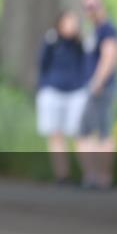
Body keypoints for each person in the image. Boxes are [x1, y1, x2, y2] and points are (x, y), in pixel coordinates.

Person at [35, 10, 89, 185]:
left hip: (76, 92)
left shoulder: (81, 42)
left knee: (79, 133)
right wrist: (44, 86)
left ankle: (90, 175)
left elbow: (87, 64)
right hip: (53, 91)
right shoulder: (52, 40)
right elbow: (42, 63)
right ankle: (62, 175)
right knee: (56, 134)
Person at [77, 0, 117, 190]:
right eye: (86, 7)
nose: (90, 10)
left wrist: (98, 81)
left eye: (93, 6)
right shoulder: (94, 30)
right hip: (93, 87)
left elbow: (110, 56)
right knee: (87, 131)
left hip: (101, 87)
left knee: (101, 131)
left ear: (101, 5)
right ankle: (94, 176)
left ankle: (102, 177)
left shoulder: (107, 29)